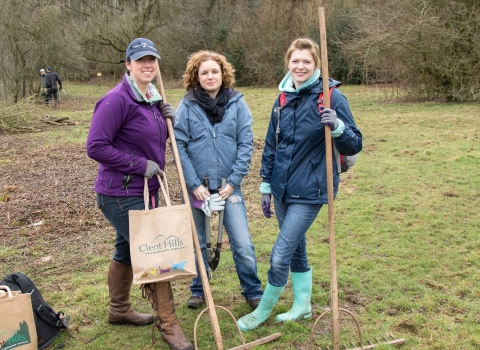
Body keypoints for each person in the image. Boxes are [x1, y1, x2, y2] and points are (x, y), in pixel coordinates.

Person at [237, 37, 362, 331]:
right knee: (295, 249)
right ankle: (303, 306)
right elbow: (271, 145)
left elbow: (355, 142)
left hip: (312, 188)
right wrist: (266, 185)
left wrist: (338, 127)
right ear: (288, 64)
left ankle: (262, 310)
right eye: (296, 61)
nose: (301, 66)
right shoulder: (282, 98)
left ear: (316, 64)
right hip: (281, 188)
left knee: (280, 254)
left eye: (307, 61)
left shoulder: (330, 97)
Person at [86, 38, 193, 350]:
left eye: (153, 60)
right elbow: (96, 146)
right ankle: (170, 326)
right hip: (120, 194)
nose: (148, 65)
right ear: (128, 64)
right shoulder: (116, 100)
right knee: (155, 255)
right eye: (141, 60)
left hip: (145, 191)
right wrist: (137, 164)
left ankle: (118, 309)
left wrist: (165, 115)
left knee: (125, 249)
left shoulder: (150, 98)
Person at [174, 50, 264, 311]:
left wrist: (234, 182)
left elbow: (246, 143)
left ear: (223, 74)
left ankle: (252, 290)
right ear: (196, 77)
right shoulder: (187, 106)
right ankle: (199, 289)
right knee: (198, 242)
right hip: (196, 187)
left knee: (243, 243)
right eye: (204, 72)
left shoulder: (237, 103)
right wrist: (193, 184)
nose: (210, 76)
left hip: (228, 187)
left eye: (215, 71)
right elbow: (178, 145)